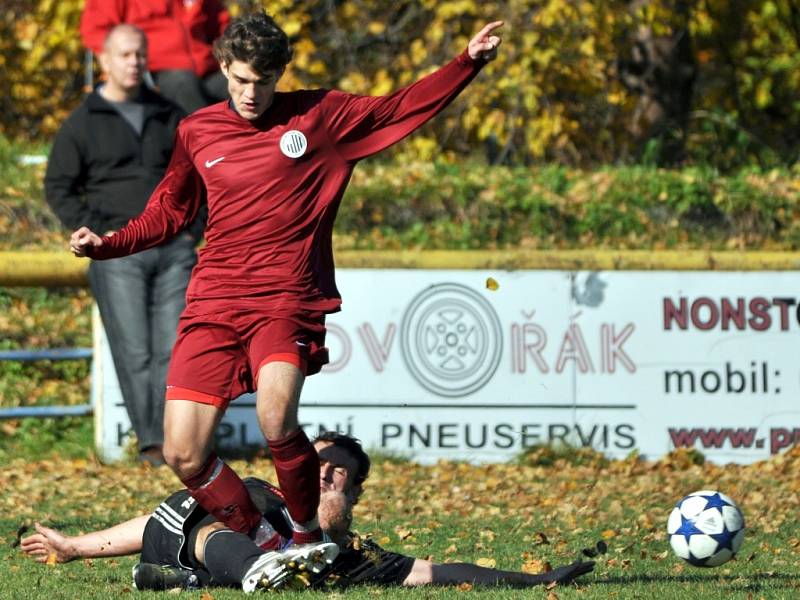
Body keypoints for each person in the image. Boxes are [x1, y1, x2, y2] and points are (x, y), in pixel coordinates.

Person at [67, 11, 504, 559]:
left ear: (281, 75)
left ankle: (305, 538)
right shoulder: (197, 130)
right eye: (243, 79)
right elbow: (169, 212)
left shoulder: (319, 116)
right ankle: (262, 538)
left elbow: (401, 107)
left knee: (276, 419)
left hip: (286, 299)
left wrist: (467, 63)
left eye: (265, 81)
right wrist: (107, 244)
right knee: (182, 453)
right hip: (215, 299)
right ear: (224, 67)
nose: (253, 93)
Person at [20, 433, 596, 592]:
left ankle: (187, 581)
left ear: (356, 492)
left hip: (221, 564)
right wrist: (74, 547)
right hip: (192, 536)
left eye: (337, 471)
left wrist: (537, 579)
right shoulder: (264, 495)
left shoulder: (351, 555)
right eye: (316, 463)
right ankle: (241, 569)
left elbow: (438, 572)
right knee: (228, 510)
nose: (322, 472)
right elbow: (155, 522)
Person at [45, 24, 205, 466]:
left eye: (140, 54)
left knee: (176, 346)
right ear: (104, 61)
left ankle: (180, 442)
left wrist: (195, 228)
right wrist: (93, 232)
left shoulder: (171, 114)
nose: (133, 62)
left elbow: (202, 175)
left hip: (174, 246)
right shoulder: (82, 122)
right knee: (134, 349)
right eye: (124, 55)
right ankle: (153, 445)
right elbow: (59, 186)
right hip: (116, 249)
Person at [80, 0, 230, 113]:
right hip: (155, 69)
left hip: (206, 67)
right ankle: (210, 147)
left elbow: (221, 26)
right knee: (185, 87)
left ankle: (246, 148)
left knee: (240, 86)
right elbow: (96, 31)